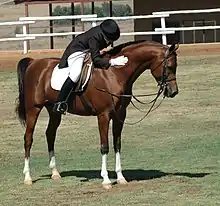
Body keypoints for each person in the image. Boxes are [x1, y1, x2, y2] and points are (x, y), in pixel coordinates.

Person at [52, 19, 128, 115]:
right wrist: (112, 62)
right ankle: (60, 103)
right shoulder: (95, 37)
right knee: (76, 74)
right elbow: (96, 60)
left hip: (87, 50)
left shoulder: (103, 33)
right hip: (77, 51)